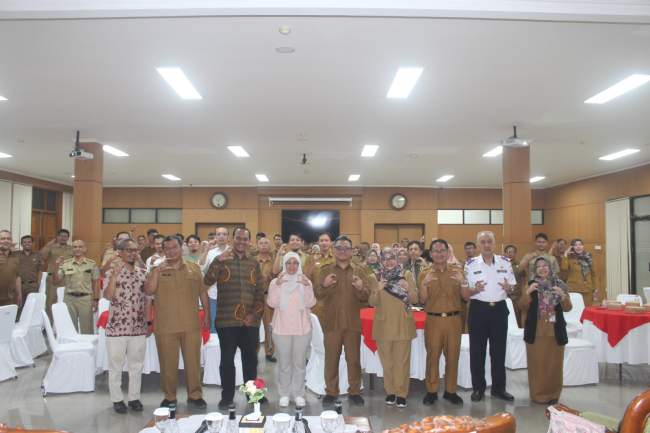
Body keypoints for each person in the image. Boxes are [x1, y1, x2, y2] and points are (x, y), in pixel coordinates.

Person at [204, 227, 265, 410]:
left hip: (249, 322)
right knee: (227, 362)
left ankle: (253, 396)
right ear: (232, 239)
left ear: (249, 242)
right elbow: (206, 282)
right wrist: (217, 261)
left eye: (245, 239)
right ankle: (226, 397)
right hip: (226, 320)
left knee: (251, 361)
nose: (241, 242)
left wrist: (253, 314)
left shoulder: (254, 263)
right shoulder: (221, 260)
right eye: (238, 238)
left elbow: (259, 292)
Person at [145, 236, 209, 409]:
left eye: (174, 247)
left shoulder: (194, 268)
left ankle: (195, 395)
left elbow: (203, 293)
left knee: (193, 363)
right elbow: (149, 290)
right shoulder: (156, 269)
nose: (171, 251)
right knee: (167, 364)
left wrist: (207, 316)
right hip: (166, 326)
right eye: (167, 248)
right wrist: (156, 272)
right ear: (163, 250)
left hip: (191, 325)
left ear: (181, 248)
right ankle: (170, 397)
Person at [316, 235, 376, 407]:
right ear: (334, 250)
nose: (342, 251)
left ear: (351, 251)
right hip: (332, 322)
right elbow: (317, 294)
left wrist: (361, 288)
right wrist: (324, 285)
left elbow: (366, 297)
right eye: (339, 248)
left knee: (354, 360)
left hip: (352, 322)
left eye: (346, 248)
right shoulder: (325, 270)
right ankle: (331, 392)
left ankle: (355, 391)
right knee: (331, 359)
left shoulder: (360, 270)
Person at [463, 231, 516, 402]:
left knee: (499, 351)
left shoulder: (505, 262)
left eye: (489, 241)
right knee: (477, 351)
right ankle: (478, 388)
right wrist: (475, 290)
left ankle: (499, 389)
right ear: (478, 245)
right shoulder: (470, 264)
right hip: (478, 310)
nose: (487, 245)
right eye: (483, 242)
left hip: (499, 310)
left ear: (494, 243)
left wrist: (509, 288)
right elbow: (465, 292)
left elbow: (512, 287)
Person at [104, 239, 150, 414]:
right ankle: (117, 399)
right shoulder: (111, 272)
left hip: (138, 327)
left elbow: (147, 300)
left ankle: (134, 398)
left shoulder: (142, 273)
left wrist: (147, 321)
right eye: (128, 250)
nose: (132, 253)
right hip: (117, 327)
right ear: (120, 252)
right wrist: (114, 276)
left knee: (136, 365)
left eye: (135, 250)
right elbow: (108, 296)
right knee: (116, 366)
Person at [369, 250, 418, 408]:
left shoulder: (406, 274)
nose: (389, 261)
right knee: (387, 362)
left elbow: (415, 299)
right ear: (380, 261)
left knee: (402, 362)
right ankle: (390, 391)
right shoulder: (375, 277)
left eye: (392, 258)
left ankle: (401, 393)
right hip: (383, 325)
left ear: (397, 260)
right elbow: (372, 302)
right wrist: (378, 289)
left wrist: (408, 288)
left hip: (403, 323)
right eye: (385, 259)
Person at [266, 252, 316, 408]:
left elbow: (311, 303)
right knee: (284, 364)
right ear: (284, 264)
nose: (292, 266)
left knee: (299, 363)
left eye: (295, 263)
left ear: (299, 265)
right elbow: (272, 303)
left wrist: (307, 287)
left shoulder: (305, 281)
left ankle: (298, 393)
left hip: (302, 329)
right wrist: (277, 285)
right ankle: (284, 393)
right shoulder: (276, 281)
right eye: (289, 263)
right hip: (282, 329)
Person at [419, 239, 465, 406]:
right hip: (433, 320)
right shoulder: (424, 273)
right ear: (431, 254)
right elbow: (422, 300)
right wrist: (424, 284)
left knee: (453, 356)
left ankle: (450, 391)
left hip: (454, 320)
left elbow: (466, 297)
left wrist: (463, 282)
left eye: (442, 250)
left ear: (448, 252)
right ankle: (431, 391)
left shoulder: (458, 271)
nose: (439, 254)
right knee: (433, 356)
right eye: (435, 251)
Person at [521, 257, 572, 404]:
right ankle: (537, 395)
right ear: (535, 270)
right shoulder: (530, 285)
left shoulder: (560, 285)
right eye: (539, 266)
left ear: (550, 268)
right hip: (536, 331)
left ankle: (553, 395)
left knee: (554, 365)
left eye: (545, 266)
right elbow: (522, 306)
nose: (542, 268)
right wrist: (528, 292)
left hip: (555, 331)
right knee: (537, 365)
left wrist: (562, 296)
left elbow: (568, 308)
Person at [55, 240, 100, 334]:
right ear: (72, 249)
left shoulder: (92, 264)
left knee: (87, 329)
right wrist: (56, 266)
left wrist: (96, 299)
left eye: (80, 247)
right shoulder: (66, 264)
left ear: (85, 249)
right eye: (75, 247)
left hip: (85, 299)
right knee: (70, 328)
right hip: (69, 299)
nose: (77, 249)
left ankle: (86, 344)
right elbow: (56, 280)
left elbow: (96, 282)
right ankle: (72, 344)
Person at [200, 226, 229, 333]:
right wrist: (206, 250)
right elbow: (201, 266)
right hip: (213, 295)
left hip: (230, 296)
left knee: (229, 327)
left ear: (228, 237)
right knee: (214, 326)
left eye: (224, 234)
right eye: (219, 234)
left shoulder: (233, 251)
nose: (221, 236)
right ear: (215, 237)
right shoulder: (211, 252)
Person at [40, 229, 73, 320]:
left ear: (68, 238)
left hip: (67, 278)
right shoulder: (51, 247)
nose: (63, 238)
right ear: (57, 237)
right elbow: (42, 256)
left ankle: (64, 324)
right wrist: (47, 245)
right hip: (52, 279)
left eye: (65, 236)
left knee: (66, 301)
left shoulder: (72, 249)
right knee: (51, 301)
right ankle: (49, 324)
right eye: (61, 236)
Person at [561, 239, 602, 306]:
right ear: (572, 247)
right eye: (575, 245)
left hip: (587, 289)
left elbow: (594, 274)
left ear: (583, 246)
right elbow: (564, 268)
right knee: (574, 308)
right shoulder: (569, 258)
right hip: (573, 289)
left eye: (580, 244)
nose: (578, 247)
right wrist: (565, 254)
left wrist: (596, 288)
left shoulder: (589, 257)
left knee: (586, 308)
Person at [256, 236, 276, 363]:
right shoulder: (252, 261)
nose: (263, 245)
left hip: (269, 297)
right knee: (254, 326)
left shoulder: (274, 262)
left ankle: (269, 352)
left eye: (266, 243)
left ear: (270, 246)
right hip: (255, 297)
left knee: (269, 325)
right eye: (261, 243)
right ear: (257, 246)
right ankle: (254, 352)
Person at [17, 235, 43, 313]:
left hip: (33, 286)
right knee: (19, 307)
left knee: (32, 309)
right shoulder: (16, 255)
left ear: (32, 243)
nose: (27, 244)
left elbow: (40, 271)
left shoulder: (38, 255)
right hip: (20, 286)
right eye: (24, 242)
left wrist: (38, 284)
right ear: (21, 244)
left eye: (29, 242)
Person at [503, 244, 526, 326]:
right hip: (504, 296)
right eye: (508, 252)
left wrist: (523, 294)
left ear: (515, 253)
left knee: (517, 318)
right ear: (505, 253)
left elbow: (523, 281)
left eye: (512, 252)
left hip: (516, 296)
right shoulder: (501, 265)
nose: (510, 254)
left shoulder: (520, 265)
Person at [0, 230, 21, 307]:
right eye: (3, 239)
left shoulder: (15, 257)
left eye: (8, 239)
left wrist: (19, 294)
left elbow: (17, 277)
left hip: (10, 299)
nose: (6, 241)